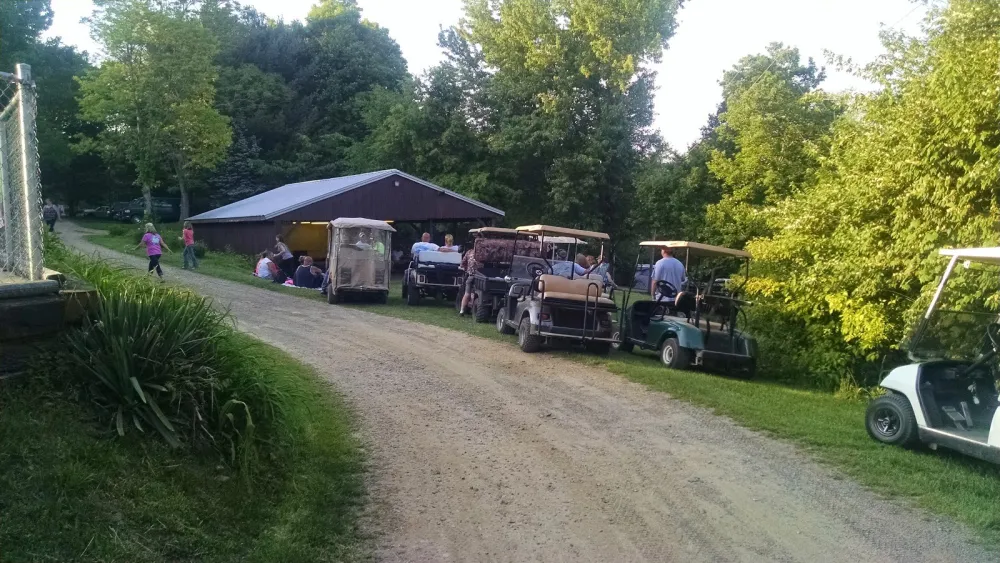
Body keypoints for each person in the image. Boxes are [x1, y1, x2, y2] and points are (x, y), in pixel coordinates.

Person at [458, 247, 480, 316]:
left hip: (471, 276)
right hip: (481, 277)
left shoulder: (469, 252)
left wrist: (467, 269)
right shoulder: (486, 252)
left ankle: (462, 311)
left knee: (467, 293)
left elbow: (462, 264)